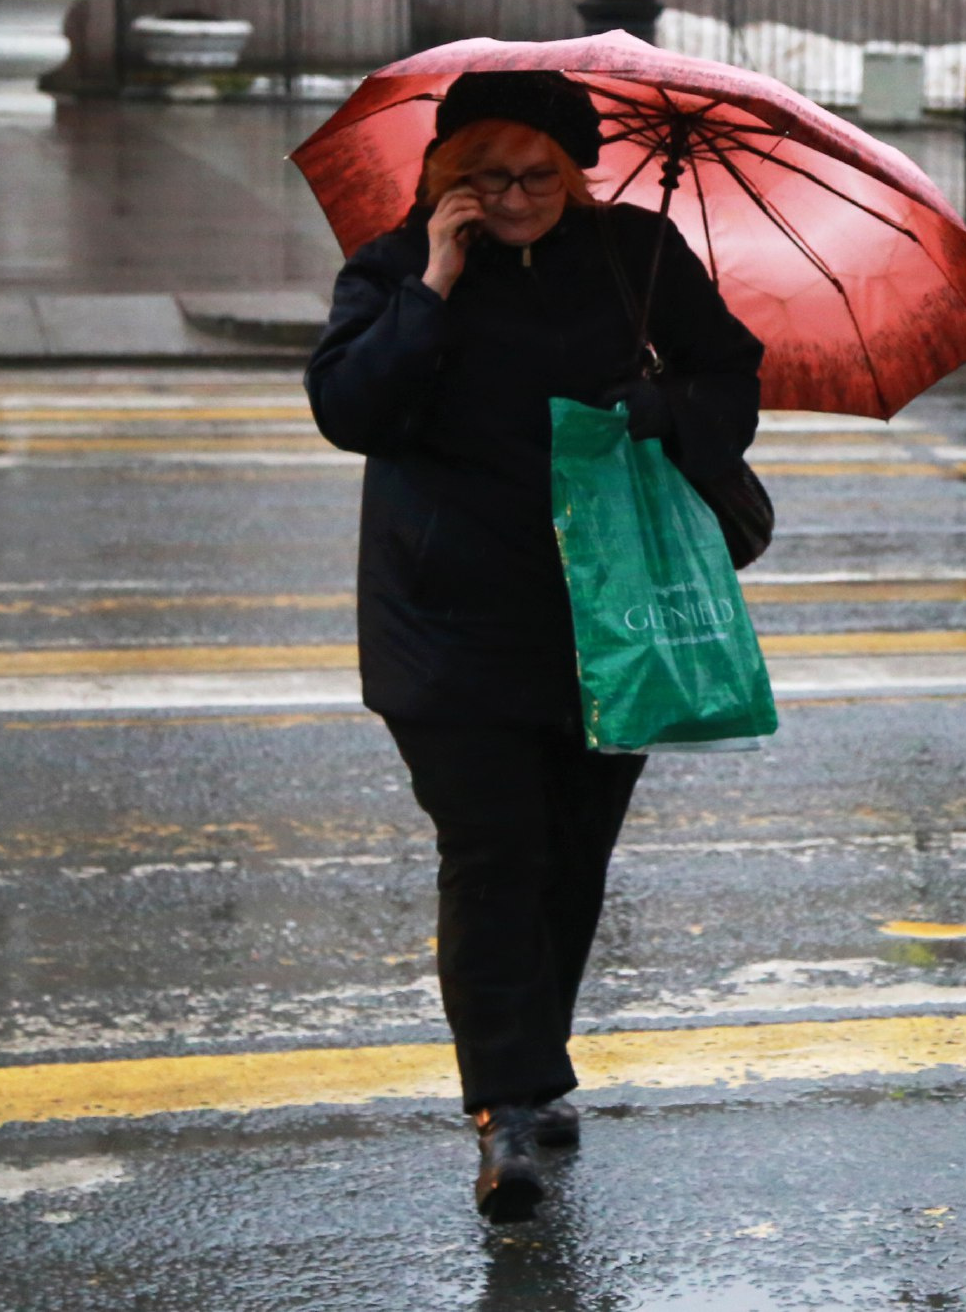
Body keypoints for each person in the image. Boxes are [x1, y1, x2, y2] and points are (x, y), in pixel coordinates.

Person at [305, 73, 764, 1223]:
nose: (511, 197)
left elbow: (733, 375)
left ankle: (530, 1063)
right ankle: (509, 1105)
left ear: (577, 170)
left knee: (569, 855)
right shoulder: (393, 265)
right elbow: (351, 411)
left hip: (608, 617)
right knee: (493, 850)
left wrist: (668, 410)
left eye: (536, 175)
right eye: (481, 176)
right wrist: (435, 284)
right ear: (441, 176)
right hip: (446, 619)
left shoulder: (634, 253)